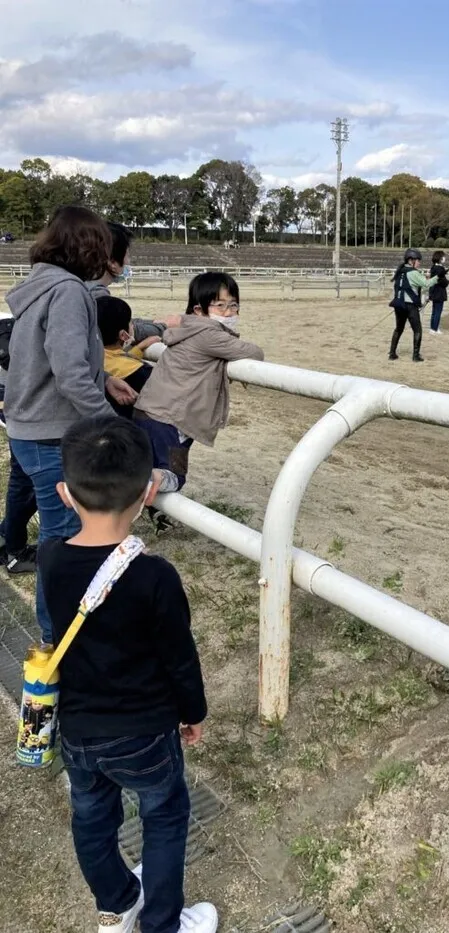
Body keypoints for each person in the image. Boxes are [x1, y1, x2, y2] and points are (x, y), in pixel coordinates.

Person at [39, 416, 217, 933]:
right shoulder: (155, 576)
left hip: (77, 729)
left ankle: (116, 904)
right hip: (143, 732)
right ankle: (161, 924)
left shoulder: (51, 558)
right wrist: (193, 713)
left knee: (92, 818)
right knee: (163, 816)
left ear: (64, 494)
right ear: (148, 492)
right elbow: (179, 656)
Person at [3, 205, 136, 644]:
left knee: (56, 535)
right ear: (90, 248)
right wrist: (111, 424)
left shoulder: (38, 287)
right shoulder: (68, 293)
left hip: (26, 425)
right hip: (48, 432)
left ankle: (57, 630)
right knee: (60, 540)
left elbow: (52, 362)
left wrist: (106, 379)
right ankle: (55, 637)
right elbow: (68, 372)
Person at [134, 272, 264, 493]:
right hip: (172, 421)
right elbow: (254, 352)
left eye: (233, 306)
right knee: (173, 477)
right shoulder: (209, 334)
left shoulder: (186, 329)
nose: (229, 312)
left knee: (149, 468)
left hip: (149, 412)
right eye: (220, 306)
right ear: (199, 310)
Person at [88, 222, 180, 343]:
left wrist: (152, 322)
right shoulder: (96, 296)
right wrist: (165, 326)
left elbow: (123, 321)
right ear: (112, 262)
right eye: (127, 256)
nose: (128, 261)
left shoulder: (85, 286)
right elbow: (127, 330)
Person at [0, 369, 38, 573]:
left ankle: (8, 538)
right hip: (30, 402)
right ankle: (15, 552)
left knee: (25, 480)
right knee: (26, 481)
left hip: (25, 400)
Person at [97, 295, 158, 418]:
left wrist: (139, 348)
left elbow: (115, 359)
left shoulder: (92, 359)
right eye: (130, 322)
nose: (132, 326)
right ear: (123, 335)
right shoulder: (142, 373)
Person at [388, 248, 441, 362]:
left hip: (399, 304)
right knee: (417, 330)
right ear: (411, 260)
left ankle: (392, 353)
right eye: (418, 260)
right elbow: (426, 284)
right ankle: (416, 355)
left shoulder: (400, 271)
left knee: (398, 329)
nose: (419, 262)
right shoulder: (413, 273)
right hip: (410, 306)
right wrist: (438, 277)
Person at [428, 250, 449, 335]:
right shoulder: (440, 268)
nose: (444, 258)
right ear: (440, 258)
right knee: (438, 311)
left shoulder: (433, 267)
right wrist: (448, 282)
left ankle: (433, 328)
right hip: (439, 293)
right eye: (443, 257)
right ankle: (435, 329)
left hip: (434, 292)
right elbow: (443, 282)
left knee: (434, 311)